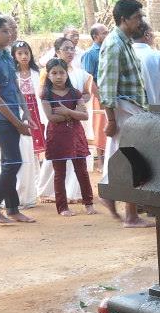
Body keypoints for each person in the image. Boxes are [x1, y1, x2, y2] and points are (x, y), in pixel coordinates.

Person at [97, 0, 151, 228]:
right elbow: (106, 84)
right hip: (124, 109)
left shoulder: (124, 42)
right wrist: (110, 119)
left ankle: (114, 196)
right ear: (124, 19)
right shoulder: (114, 44)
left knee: (128, 157)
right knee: (131, 159)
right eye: (137, 17)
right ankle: (129, 213)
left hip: (131, 108)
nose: (141, 21)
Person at [0, 15, 35, 224]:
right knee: (13, 162)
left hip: (12, 114)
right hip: (0, 117)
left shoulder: (6, 56)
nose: (9, 34)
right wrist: (17, 123)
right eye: (4, 31)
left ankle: (12, 208)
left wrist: (26, 113)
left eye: (8, 31)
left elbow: (15, 87)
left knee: (9, 162)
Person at [40, 58, 96, 216]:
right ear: (48, 75)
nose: (58, 76)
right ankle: (62, 207)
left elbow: (84, 115)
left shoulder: (75, 93)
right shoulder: (46, 94)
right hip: (57, 137)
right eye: (54, 73)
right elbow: (51, 117)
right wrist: (73, 115)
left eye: (62, 72)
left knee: (82, 171)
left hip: (75, 136)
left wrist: (67, 112)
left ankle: (89, 203)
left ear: (67, 74)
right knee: (60, 173)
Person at [11, 40, 46, 155]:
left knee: (40, 133)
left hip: (37, 108)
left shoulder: (38, 73)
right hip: (22, 108)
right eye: (20, 54)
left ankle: (40, 164)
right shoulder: (12, 75)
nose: (24, 56)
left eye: (26, 53)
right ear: (14, 56)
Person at [81, 23, 109, 161]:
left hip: (110, 93)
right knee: (100, 125)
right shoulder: (90, 54)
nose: (107, 35)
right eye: (104, 33)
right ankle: (100, 159)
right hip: (98, 95)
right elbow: (88, 79)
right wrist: (100, 97)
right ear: (95, 36)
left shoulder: (109, 50)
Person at [133, 22, 160, 105]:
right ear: (147, 35)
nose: (154, 36)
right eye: (152, 33)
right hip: (157, 112)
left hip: (129, 114)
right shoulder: (159, 56)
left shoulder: (123, 56)